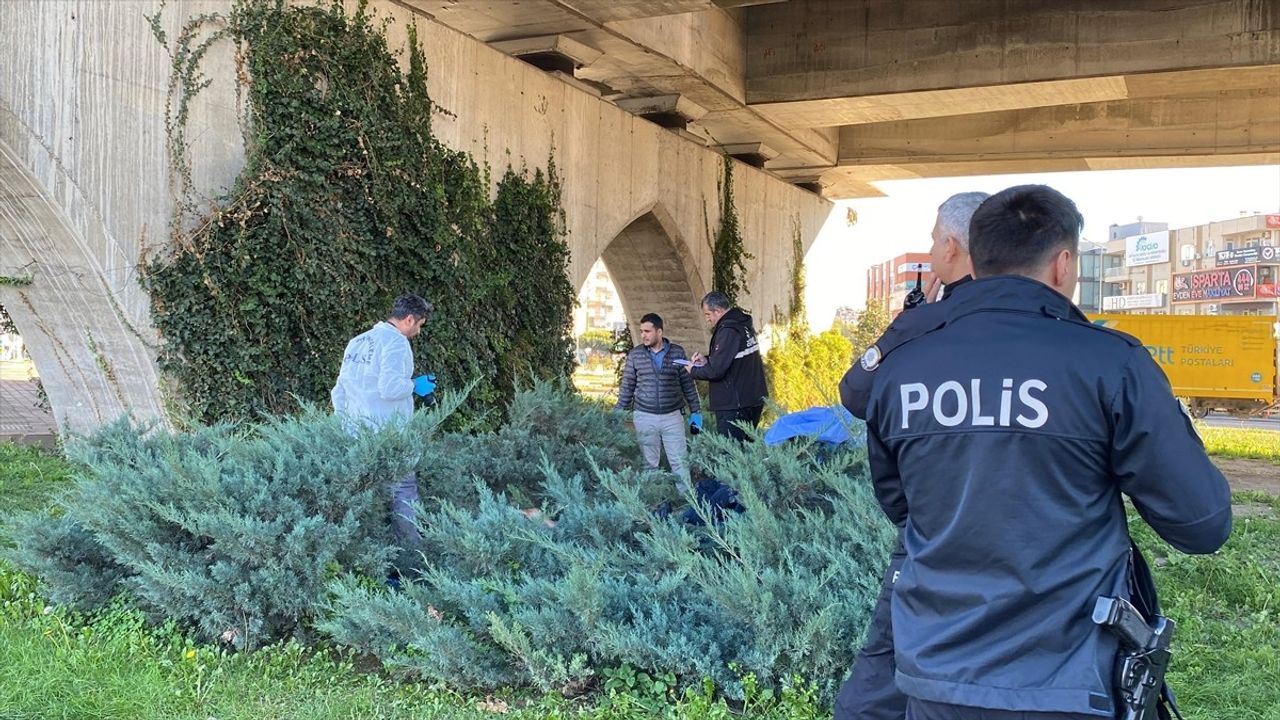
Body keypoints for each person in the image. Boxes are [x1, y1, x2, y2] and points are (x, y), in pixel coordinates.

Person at [863, 185, 1232, 720]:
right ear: (1062, 265)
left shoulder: (902, 369)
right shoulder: (1111, 364)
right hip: (1068, 684)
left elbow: (902, 506)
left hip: (936, 679)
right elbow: (1203, 524)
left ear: (976, 257)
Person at [834, 190, 988, 720]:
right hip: (1031, 548)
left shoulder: (923, 328)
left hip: (931, 535)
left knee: (875, 691)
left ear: (951, 246)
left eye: (932, 238)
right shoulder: (1054, 333)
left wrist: (900, 329)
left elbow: (855, 394)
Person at [331, 294, 437, 580]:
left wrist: (347, 429)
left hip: (357, 440)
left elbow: (338, 392)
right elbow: (390, 388)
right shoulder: (396, 343)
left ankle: (369, 569)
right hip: (391, 441)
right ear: (409, 319)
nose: (418, 332)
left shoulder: (359, 341)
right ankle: (413, 570)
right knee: (403, 500)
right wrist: (416, 385)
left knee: (369, 505)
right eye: (420, 325)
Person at [615, 313, 703, 486]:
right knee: (649, 465)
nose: (643, 335)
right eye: (641, 331)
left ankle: (686, 502)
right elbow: (627, 386)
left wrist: (696, 412)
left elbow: (688, 384)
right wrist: (617, 412)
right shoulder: (635, 355)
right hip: (644, 416)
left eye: (647, 331)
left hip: (673, 417)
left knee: (680, 462)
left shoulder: (677, 352)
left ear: (659, 332)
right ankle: (654, 504)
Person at [685, 291, 768, 441]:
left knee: (730, 453)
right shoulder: (743, 325)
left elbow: (716, 371)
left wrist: (693, 370)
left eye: (707, 314)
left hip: (734, 404)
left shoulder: (728, 331)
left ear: (718, 311)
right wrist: (707, 360)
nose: (707, 319)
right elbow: (731, 358)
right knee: (746, 450)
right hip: (752, 399)